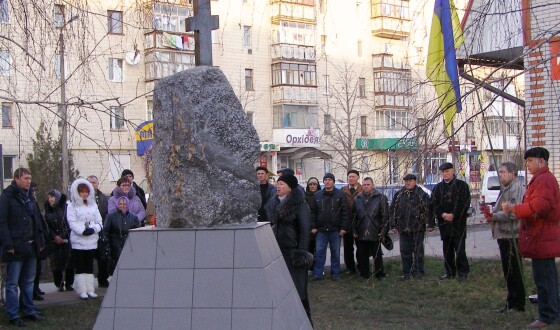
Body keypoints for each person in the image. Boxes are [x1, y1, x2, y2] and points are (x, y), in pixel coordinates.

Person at [502, 147, 560, 328]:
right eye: (526, 161)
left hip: (542, 237)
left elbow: (539, 206)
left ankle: (548, 316)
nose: (527, 165)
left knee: (545, 280)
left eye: (530, 161)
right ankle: (550, 312)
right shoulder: (540, 179)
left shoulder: (544, 180)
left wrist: (514, 209)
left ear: (541, 161)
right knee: (545, 278)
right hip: (540, 237)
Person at [264, 174, 312, 325]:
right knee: (279, 288)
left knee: (298, 289)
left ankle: (304, 321)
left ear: (290, 187)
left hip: (293, 252)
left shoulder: (300, 204)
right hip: (276, 251)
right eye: (277, 183)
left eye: (282, 184)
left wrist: (301, 253)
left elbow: (305, 230)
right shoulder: (272, 203)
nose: (278, 186)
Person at [0, 168, 46, 326]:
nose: (29, 181)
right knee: (12, 283)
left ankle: (28, 310)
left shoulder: (30, 197)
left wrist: (40, 242)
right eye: (26, 178)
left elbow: (37, 221)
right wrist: (8, 245)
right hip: (15, 247)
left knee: (28, 281)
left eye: (30, 178)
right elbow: (2, 223)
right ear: (16, 179)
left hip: (31, 246)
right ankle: (13, 314)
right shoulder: (7, 197)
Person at [480, 162, 525, 313]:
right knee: (508, 270)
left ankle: (518, 304)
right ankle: (511, 302)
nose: (500, 175)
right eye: (499, 172)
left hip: (512, 234)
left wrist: (494, 216)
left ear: (512, 173)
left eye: (503, 172)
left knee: (514, 271)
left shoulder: (516, 188)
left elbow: (513, 212)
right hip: (504, 234)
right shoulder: (506, 188)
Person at [431, 162, 471, 281]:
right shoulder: (438, 188)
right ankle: (449, 272)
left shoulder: (462, 185)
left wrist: (454, 215)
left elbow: (465, 203)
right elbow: (433, 204)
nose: (445, 174)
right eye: (443, 172)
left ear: (453, 171)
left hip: (458, 223)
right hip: (444, 224)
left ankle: (463, 272)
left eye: (447, 171)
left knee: (459, 249)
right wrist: (442, 214)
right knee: (447, 250)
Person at [390, 174, 433, 280]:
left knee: (418, 251)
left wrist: (430, 223)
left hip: (417, 227)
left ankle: (418, 271)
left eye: (410, 181)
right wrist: (393, 224)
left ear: (415, 182)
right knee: (405, 251)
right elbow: (392, 210)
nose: (408, 183)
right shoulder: (399, 194)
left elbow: (429, 209)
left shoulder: (421, 194)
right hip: (403, 227)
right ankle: (406, 272)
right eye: (406, 181)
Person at [67, 178, 103, 300]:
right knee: (80, 266)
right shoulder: (71, 206)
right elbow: (72, 223)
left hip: (92, 241)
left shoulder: (93, 205)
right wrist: (82, 231)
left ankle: (90, 289)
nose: (84, 194)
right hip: (79, 241)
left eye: (86, 192)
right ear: (77, 192)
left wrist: (94, 229)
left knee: (89, 266)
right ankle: (82, 290)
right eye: (82, 192)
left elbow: (99, 222)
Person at [309, 173, 350, 281]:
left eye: (329, 180)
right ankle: (318, 274)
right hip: (321, 230)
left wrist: (343, 228)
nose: (327, 181)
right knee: (319, 252)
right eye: (325, 180)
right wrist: (313, 226)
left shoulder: (340, 195)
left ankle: (335, 273)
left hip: (335, 230)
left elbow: (345, 212)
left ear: (333, 182)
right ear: (323, 182)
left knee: (335, 253)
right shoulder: (317, 195)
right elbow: (312, 212)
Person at [352, 177, 389, 279]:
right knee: (362, 255)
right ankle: (364, 274)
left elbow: (385, 216)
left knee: (377, 255)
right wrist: (354, 230)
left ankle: (379, 274)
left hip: (375, 230)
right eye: (364, 185)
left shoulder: (381, 198)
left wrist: (383, 231)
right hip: (361, 230)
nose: (366, 186)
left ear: (372, 185)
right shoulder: (357, 198)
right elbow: (354, 216)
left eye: (368, 185)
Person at [44, 189, 74, 292]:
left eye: (52, 197)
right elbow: (47, 226)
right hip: (54, 241)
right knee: (56, 264)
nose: (50, 199)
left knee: (69, 263)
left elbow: (70, 222)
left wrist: (66, 235)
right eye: (49, 197)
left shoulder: (66, 208)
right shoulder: (47, 211)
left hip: (66, 239)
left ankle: (69, 283)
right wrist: (54, 236)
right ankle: (59, 284)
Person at [104, 196, 140, 275]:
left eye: (124, 204)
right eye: (120, 204)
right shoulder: (111, 216)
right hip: (115, 242)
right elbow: (106, 230)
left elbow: (137, 231)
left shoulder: (133, 217)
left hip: (128, 242)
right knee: (117, 260)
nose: (122, 206)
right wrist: (107, 242)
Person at [87, 175, 110, 288]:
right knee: (88, 260)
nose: (92, 184)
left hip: (101, 231)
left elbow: (106, 214)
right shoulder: (82, 198)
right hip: (88, 233)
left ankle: (102, 279)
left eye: (94, 182)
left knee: (102, 258)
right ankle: (88, 283)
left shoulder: (103, 197)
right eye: (90, 182)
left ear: (97, 184)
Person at [341, 170, 362, 274]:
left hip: (360, 223)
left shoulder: (363, 189)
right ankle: (350, 268)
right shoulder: (343, 190)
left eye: (353, 177)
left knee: (361, 247)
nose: (351, 178)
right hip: (347, 223)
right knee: (348, 248)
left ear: (357, 178)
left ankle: (361, 266)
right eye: (349, 177)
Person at [304, 177, 321, 267]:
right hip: (308, 226)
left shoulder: (321, 195)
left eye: (314, 184)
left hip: (320, 225)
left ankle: (318, 267)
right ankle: (310, 266)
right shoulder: (304, 196)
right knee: (309, 247)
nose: (312, 186)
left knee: (319, 249)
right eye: (310, 184)